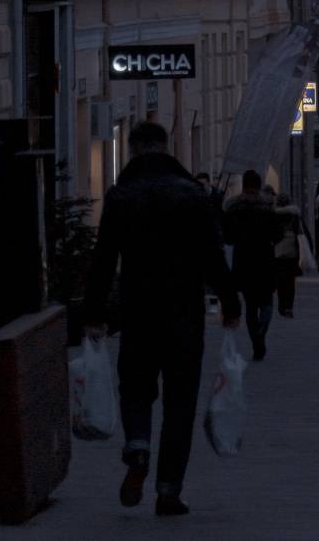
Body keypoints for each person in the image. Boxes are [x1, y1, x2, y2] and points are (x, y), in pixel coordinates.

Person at [83, 120, 240, 517]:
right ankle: (169, 491)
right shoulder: (192, 195)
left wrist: (94, 313)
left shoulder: (121, 196)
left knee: (135, 388)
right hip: (184, 315)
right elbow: (212, 254)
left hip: (138, 312)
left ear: (133, 150)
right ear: (166, 147)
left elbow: (103, 260)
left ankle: (138, 445)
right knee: (180, 401)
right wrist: (230, 302)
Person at [223, 169, 282, 361]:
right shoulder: (267, 207)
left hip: (244, 260)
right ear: (258, 185)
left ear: (244, 185)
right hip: (264, 259)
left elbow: (227, 236)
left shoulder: (234, 208)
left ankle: (256, 341)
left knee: (250, 305)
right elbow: (278, 234)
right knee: (267, 302)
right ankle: (261, 331)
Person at [273, 193, 304, 316]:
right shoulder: (294, 215)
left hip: (278, 251)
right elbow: (300, 233)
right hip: (292, 251)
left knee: (280, 280)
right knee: (290, 281)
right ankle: (289, 306)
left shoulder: (274, 215)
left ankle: (282, 304)